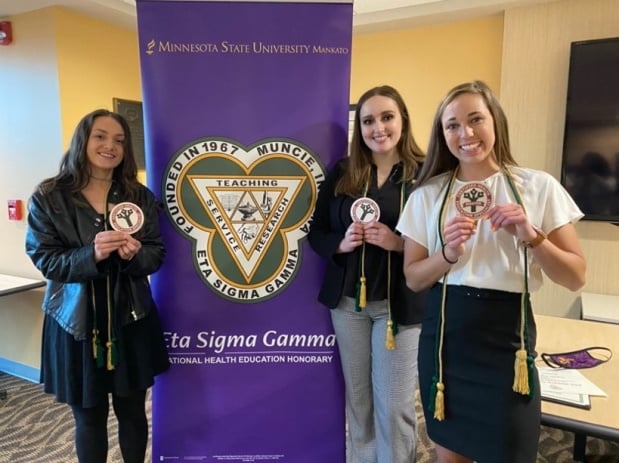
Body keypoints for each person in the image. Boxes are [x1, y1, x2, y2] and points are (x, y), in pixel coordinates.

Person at [397, 80, 586, 463]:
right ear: (442, 134)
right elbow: (414, 279)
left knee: (513, 452)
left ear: (495, 121)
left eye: (475, 119)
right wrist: (448, 253)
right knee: (450, 456)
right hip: (446, 342)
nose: (465, 133)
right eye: (452, 125)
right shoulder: (427, 195)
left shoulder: (537, 188)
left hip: (507, 346)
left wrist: (532, 236)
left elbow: (574, 277)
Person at [25, 109, 170, 463]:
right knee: (88, 418)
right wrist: (90, 255)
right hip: (75, 323)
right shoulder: (50, 195)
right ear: (83, 140)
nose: (110, 146)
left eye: (119, 140)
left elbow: (156, 254)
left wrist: (135, 256)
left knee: (133, 413)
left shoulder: (138, 195)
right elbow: (45, 259)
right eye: (101, 136)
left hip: (131, 317)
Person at [308, 85, 426, 463]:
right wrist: (340, 245)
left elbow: (443, 246)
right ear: (358, 128)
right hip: (347, 304)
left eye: (387, 117)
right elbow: (317, 232)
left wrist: (398, 244)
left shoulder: (424, 174)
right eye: (368, 120)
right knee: (359, 405)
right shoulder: (344, 172)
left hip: (398, 307)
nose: (378, 128)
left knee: (393, 407)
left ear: (403, 120)